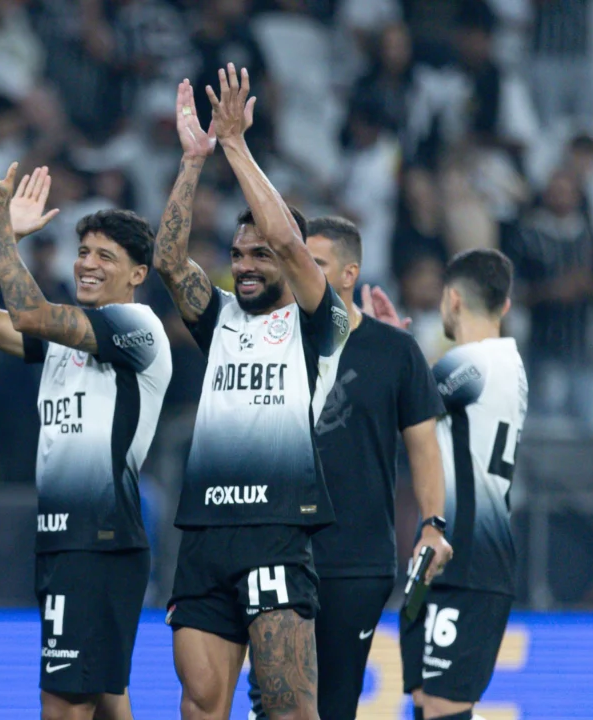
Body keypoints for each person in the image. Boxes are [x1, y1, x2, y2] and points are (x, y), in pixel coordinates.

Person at [151, 69, 347, 720]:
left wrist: (236, 146)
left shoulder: (318, 321)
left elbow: (291, 240)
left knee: (289, 709)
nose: (246, 265)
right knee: (201, 705)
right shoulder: (222, 316)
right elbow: (170, 263)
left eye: (259, 255)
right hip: (205, 531)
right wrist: (192, 161)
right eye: (238, 254)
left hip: (275, 531)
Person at [0, 165, 171, 720]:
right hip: (64, 540)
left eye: (106, 256)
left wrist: (4, 228)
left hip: (100, 539)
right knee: (103, 696)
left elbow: (31, 314)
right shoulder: (64, 336)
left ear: (138, 274)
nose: (87, 263)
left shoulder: (138, 327)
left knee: (62, 701)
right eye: (83, 251)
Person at [246, 217, 453, 720]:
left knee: (335, 703)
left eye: (314, 263)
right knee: (273, 701)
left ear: (349, 273)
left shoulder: (394, 350)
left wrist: (432, 525)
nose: (301, 273)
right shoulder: (268, 340)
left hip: (357, 558)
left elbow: (425, 447)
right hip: (279, 550)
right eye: (296, 261)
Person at [390, 249, 527, 720]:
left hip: (468, 560)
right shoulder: (503, 364)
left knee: (445, 708)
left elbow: (401, 400)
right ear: (505, 305)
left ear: (451, 300)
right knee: (428, 703)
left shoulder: (472, 364)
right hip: (442, 557)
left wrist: (390, 344)